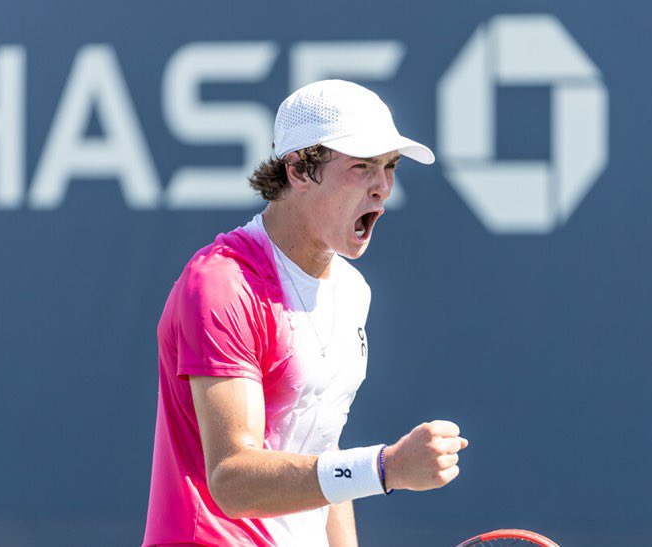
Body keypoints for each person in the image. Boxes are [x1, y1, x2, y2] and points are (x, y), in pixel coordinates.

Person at [142, 80, 468, 547]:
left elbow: (321, 456)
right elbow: (232, 478)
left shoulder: (352, 291)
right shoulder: (221, 285)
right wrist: (385, 467)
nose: (383, 188)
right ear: (298, 170)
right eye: (361, 167)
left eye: (390, 166)